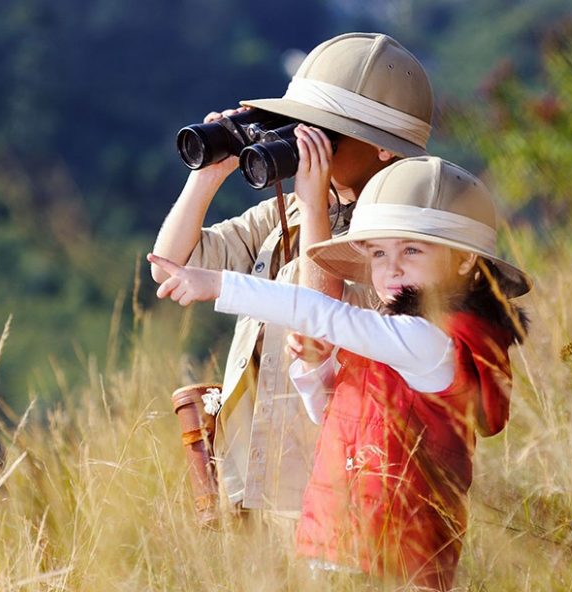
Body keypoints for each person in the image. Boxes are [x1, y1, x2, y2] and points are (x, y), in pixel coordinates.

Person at [148, 156, 531, 590]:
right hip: (337, 545)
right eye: (378, 253)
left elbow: (324, 314)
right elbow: (332, 417)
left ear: (463, 261)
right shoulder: (393, 338)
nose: (392, 267)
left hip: (397, 558)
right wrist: (316, 367)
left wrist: (220, 285)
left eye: (412, 249)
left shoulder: (432, 341)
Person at [150, 32, 435, 515]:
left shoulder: (401, 239)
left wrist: (311, 202)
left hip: (331, 476)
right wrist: (208, 174)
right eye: (301, 125)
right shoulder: (296, 213)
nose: (306, 140)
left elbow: (318, 321)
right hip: (254, 460)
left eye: (327, 132)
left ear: (385, 148)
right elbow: (172, 266)